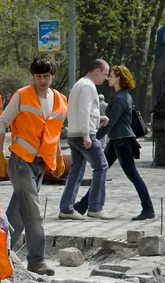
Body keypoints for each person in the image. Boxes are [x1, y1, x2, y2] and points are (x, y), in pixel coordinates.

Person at [0, 53, 67, 276]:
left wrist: (59, 155)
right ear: (33, 76)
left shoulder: (60, 100)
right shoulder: (22, 96)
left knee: (17, 215)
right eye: (38, 76)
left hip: (40, 165)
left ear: (52, 76)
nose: (42, 80)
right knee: (34, 213)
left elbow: (52, 133)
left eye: (45, 76)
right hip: (21, 162)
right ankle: (36, 260)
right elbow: (1, 122)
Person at [76, 65, 155, 221]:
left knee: (132, 175)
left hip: (121, 141)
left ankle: (148, 208)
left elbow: (110, 123)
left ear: (118, 78)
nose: (108, 78)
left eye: (111, 75)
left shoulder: (120, 98)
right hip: (117, 140)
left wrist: (94, 138)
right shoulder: (122, 95)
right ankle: (82, 206)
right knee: (101, 172)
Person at [58, 59, 113, 221]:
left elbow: (82, 112)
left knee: (76, 172)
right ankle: (96, 207)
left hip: (74, 134)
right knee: (101, 167)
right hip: (84, 135)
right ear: (97, 71)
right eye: (104, 74)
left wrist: (98, 117)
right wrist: (86, 135)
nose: (105, 78)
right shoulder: (89, 86)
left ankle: (66, 208)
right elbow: (83, 110)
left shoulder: (79, 84)